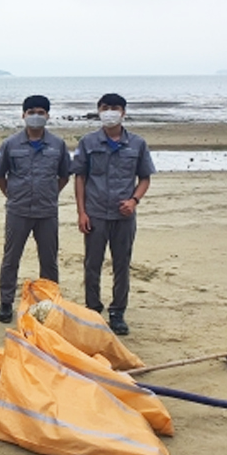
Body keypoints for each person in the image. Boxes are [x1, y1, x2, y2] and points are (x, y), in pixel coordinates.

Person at [71, 93, 155, 336]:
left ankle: (118, 312)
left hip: (123, 216)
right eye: (105, 107)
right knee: (92, 264)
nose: (110, 112)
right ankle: (93, 309)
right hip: (95, 213)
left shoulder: (137, 144)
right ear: (99, 110)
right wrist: (82, 212)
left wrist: (134, 201)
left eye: (115, 108)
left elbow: (145, 177)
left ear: (123, 112)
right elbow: (80, 178)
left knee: (122, 264)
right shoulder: (88, 142)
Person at [0, 95, 71, 323]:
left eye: (41, 112)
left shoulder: (57, 144)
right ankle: (6, 302)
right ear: (23, 115)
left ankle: (49, 301)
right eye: (31, 112)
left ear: (48, 115)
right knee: (11, 258)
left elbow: (64, 175)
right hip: (18, 211)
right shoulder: (11, 144)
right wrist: (12, 195)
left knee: (49, 260)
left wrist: (50, 193)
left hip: (47, 212)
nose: (36, 116)